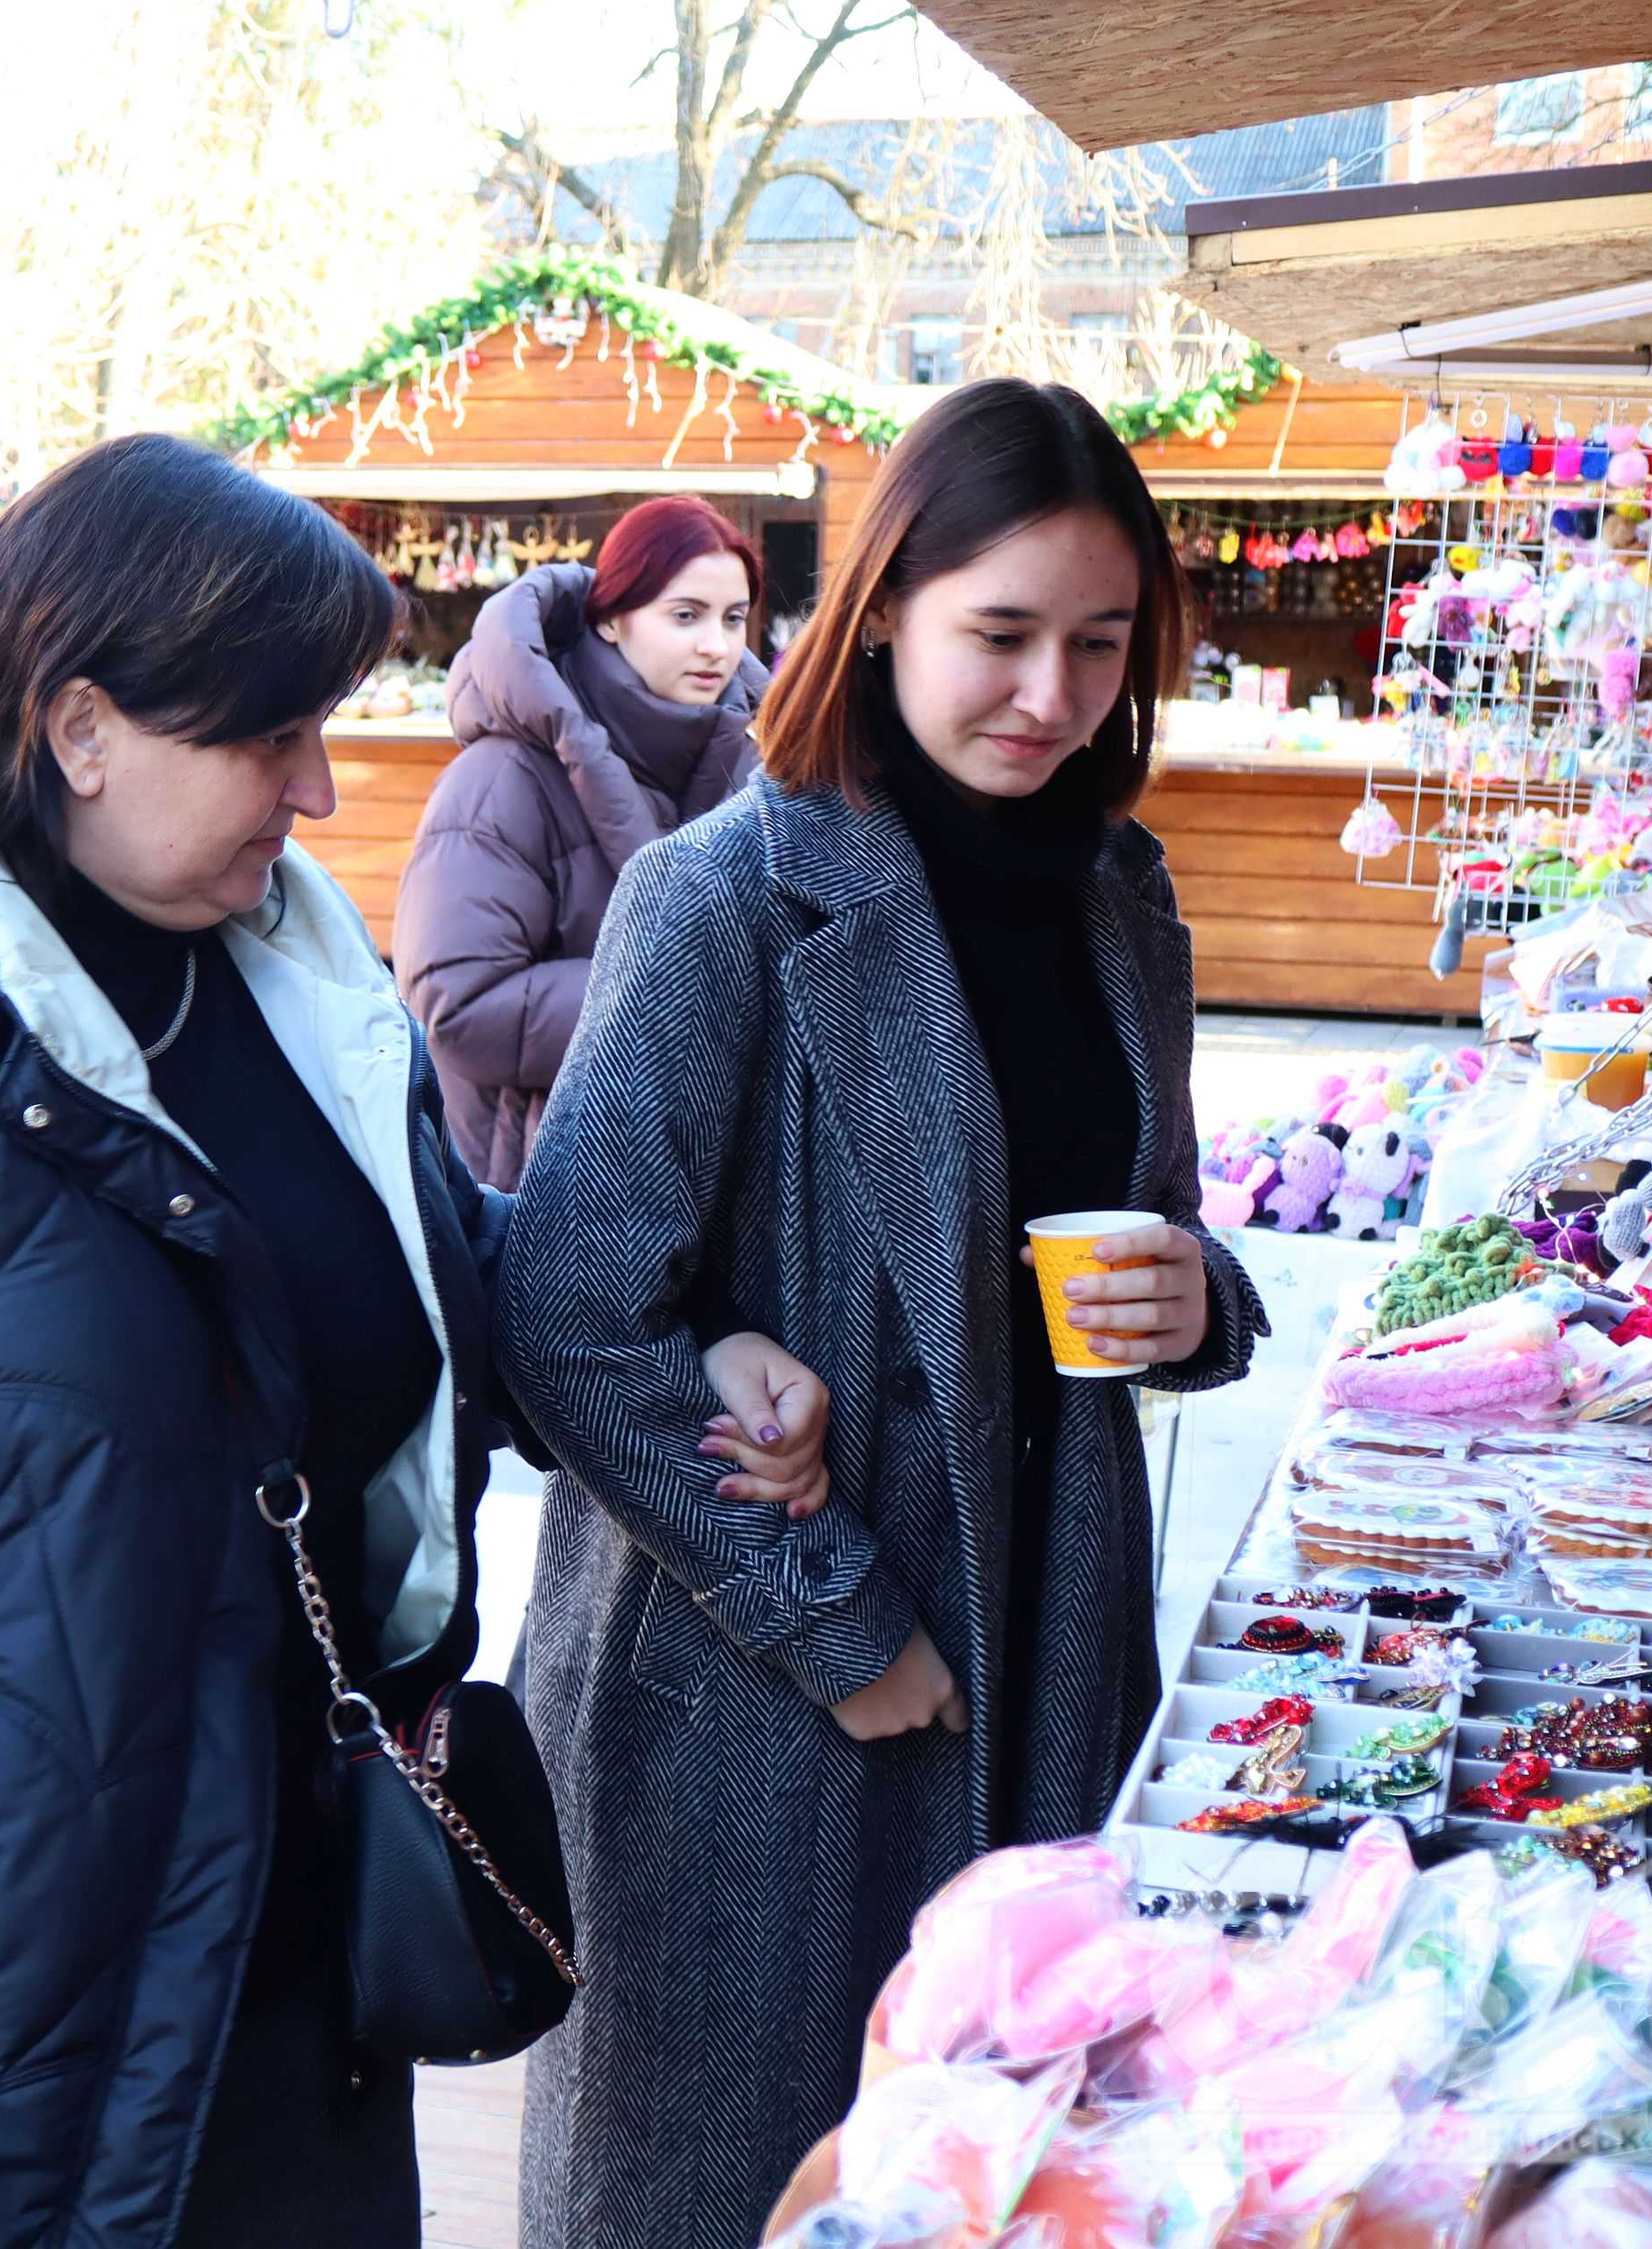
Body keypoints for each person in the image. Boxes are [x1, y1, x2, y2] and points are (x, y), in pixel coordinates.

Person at [0, 433, 830, 2249]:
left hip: (266, 1943)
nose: (323, 789)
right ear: (81, 721)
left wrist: (681, 1350)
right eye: (272, 738)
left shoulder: (269, 954)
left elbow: (370, 1269)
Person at [496, 379, 1270, 2249]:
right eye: (999, 635)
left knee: (1006, 2175)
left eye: (1100, 645)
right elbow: (572, 1312)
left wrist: (1199, 1299)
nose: (1050, 694)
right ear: (886, 613)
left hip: (1050, 1636)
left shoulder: (1122, 902)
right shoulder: (724, 902)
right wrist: (838, 1621)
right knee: (734, 2188)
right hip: (758, 1699)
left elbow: (1132, 1227)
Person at [393, 496, 768, 1188]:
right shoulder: (502, 778)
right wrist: (680, 987)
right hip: (540, 1187)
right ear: (609, 619)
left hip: (700, 1180)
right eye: (684, 615)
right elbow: (458, 1007)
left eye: (734, 618)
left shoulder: (748, 773)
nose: (716, 645)